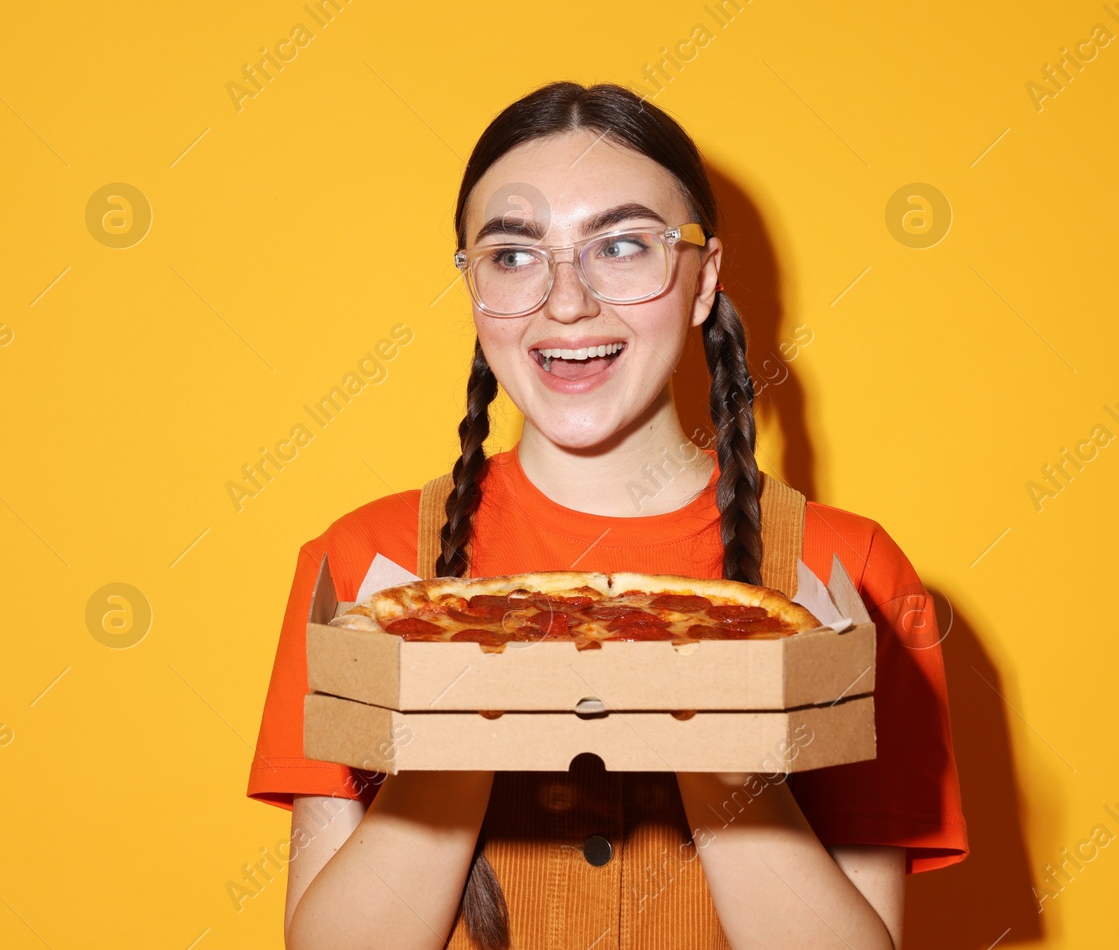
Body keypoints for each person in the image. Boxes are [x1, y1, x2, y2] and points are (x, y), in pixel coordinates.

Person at [247, 82, 967, 949]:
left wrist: (714, 721)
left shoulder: (849, 575)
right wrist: (458, 701)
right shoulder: (369, 566)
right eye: (513, 255)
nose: (567, 301)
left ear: (704, 282)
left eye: (622, 245)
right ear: (473, 290)